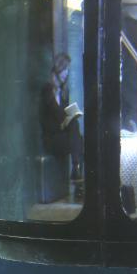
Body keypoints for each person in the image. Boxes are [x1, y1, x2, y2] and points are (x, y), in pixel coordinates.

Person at [39, 53, 84, 186]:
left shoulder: (63, 92)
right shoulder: (47, 90)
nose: (66, 73)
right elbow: (58, 116)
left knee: (81, 139)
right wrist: (68, 118)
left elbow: (62, 118)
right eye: (64, 69)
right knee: (75, 128)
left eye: (68, 70)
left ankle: (77, 176)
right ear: (58, 69)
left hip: (61, 136)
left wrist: (70, 116)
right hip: (50, 139)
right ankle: (76, 171)